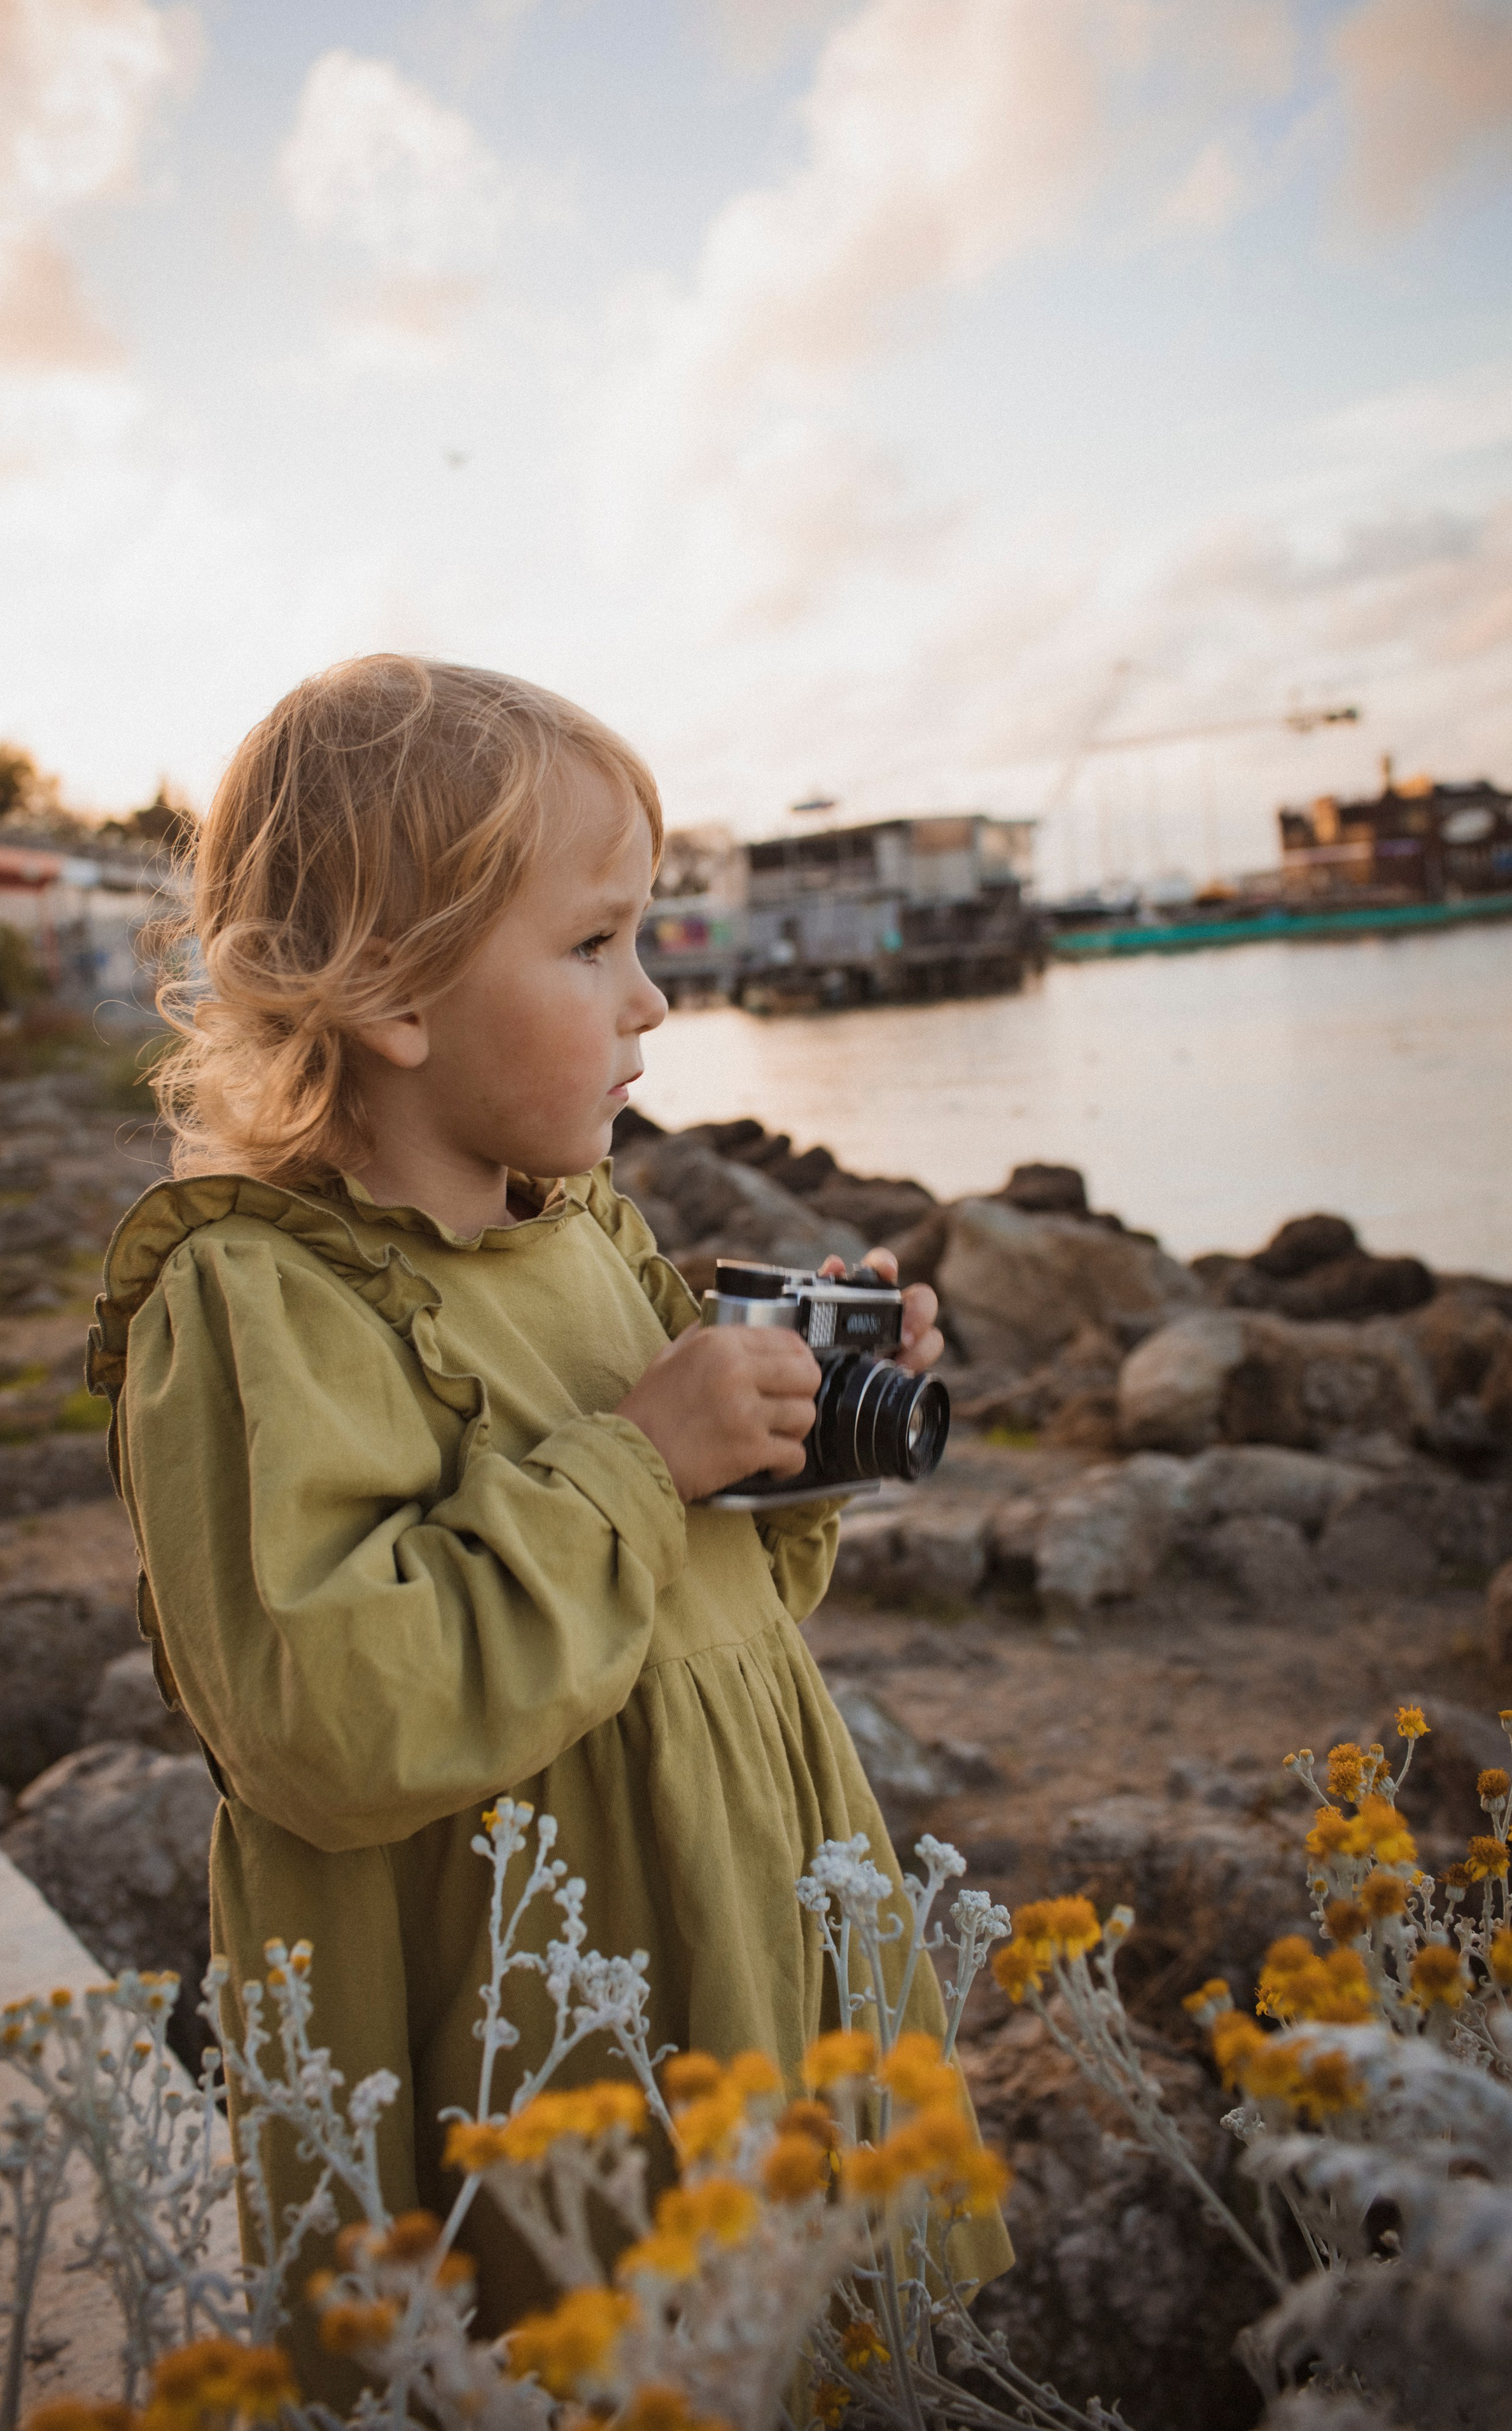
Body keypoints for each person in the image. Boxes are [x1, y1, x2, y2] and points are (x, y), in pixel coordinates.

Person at [86, 655, 1011, 2357]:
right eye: (594, 944)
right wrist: (642, 1461)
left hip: (741, 1923)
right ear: (392, 994)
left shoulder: (587, 1231)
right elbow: (325, 1721)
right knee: (608, 2356)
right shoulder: (253, 1304)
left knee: (813, 2339)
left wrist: (790, 1435)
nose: (652, 998)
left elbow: (710, 1605)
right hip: (534, 2036)